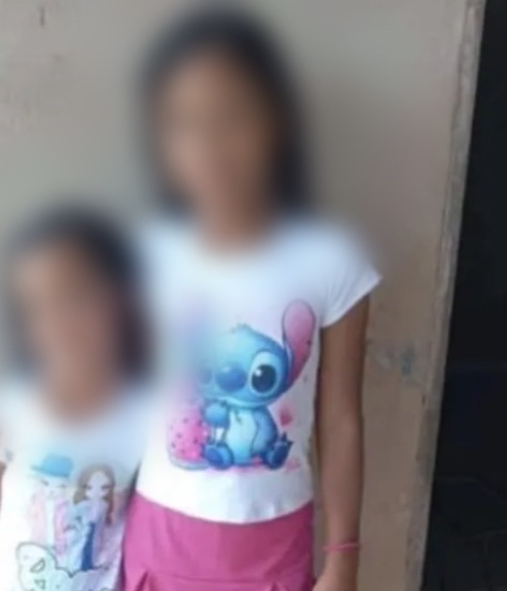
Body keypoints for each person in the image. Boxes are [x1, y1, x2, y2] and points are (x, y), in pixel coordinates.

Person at [122, 7, 380, 591]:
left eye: (233, 117)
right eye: (183, 124)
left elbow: (341, 418)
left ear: (278, 122)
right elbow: (98, 383)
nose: (209, 147)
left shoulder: (332, 262)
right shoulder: (145, 257)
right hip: (159, 539)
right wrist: (5, 410)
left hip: (275, 546)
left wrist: (343, 557)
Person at [0, 206, 148, 591]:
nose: (60, 322)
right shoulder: (7, 405)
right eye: (37, 308)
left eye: (77, 296)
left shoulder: (145, 414)